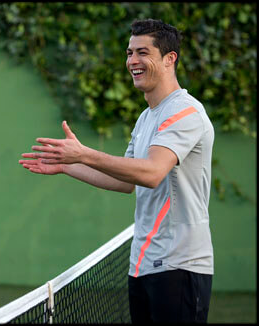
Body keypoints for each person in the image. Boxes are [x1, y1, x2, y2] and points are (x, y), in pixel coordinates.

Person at [19, 19, 214, 323]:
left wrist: (84, 153)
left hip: (179, 265)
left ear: (169, 59)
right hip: (142, 264)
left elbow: (151, 173)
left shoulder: (185, 112)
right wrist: (69, 166)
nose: (132, 61)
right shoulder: (146, 117)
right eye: (129, 53)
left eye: (143, 52)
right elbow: (125, 181)